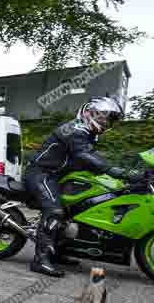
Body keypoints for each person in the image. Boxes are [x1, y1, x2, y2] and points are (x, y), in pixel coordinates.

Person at [23, 96, 141, 277]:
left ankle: (58, 253)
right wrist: (118, 172)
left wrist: (120, 175)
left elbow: (91, 159)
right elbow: (84, 155)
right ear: (89, 113)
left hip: (59, 175)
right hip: (42, 173)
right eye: (104, 118)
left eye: (109, 120)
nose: (107, 123)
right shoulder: (74, 129)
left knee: (75, 210)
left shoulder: (88, 133)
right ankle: (40, 261)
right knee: (55, 211)